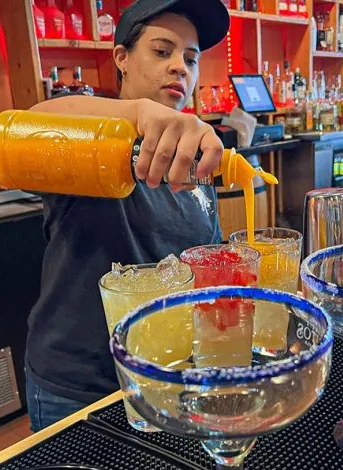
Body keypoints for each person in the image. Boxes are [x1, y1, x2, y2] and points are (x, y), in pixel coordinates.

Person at [22, 0, 230, 432]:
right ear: (122, 58)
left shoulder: (192, 156)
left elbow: (208, 262)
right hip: (82, 388)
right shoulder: (89, 143)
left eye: (190, 59)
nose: (180, 68)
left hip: (167, 376)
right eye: (161, 51)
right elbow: (33, 122)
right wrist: (138, 114)